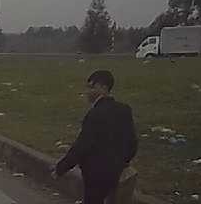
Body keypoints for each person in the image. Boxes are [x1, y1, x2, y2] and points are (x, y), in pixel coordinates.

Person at [51, 69, 137, 204]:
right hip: (116, 172)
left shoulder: (95, 114)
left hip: (95, 174)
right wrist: (122, 162)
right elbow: (132, 142)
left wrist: (60, 169)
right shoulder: (124, 109)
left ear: (104, 88)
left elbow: (82, 146)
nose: (87, 92)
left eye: (92, 87)